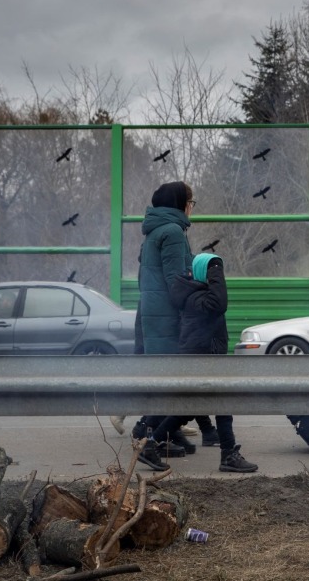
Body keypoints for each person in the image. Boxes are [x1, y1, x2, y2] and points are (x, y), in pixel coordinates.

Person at [135, 253, 258, 473]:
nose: (217, 275)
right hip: (203, 359)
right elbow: (220, 303)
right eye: (212, 271)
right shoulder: (198, 298)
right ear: (206, 272)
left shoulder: (195, 294)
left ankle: (150, 443)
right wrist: (216, 267)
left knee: (187, 409)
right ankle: (228, 454)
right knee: (220, 406)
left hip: (202, 358)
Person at [131, 181, 197, 458]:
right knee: (170, 376)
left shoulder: (156, 231)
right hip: (167, 316)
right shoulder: (172, 232)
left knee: (165, 374)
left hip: (154, 312)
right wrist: (196, 299)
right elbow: (176, 280)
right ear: (180, 203)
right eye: (191, 202)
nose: (192, 208)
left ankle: (166, 429)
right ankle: (149, 434)